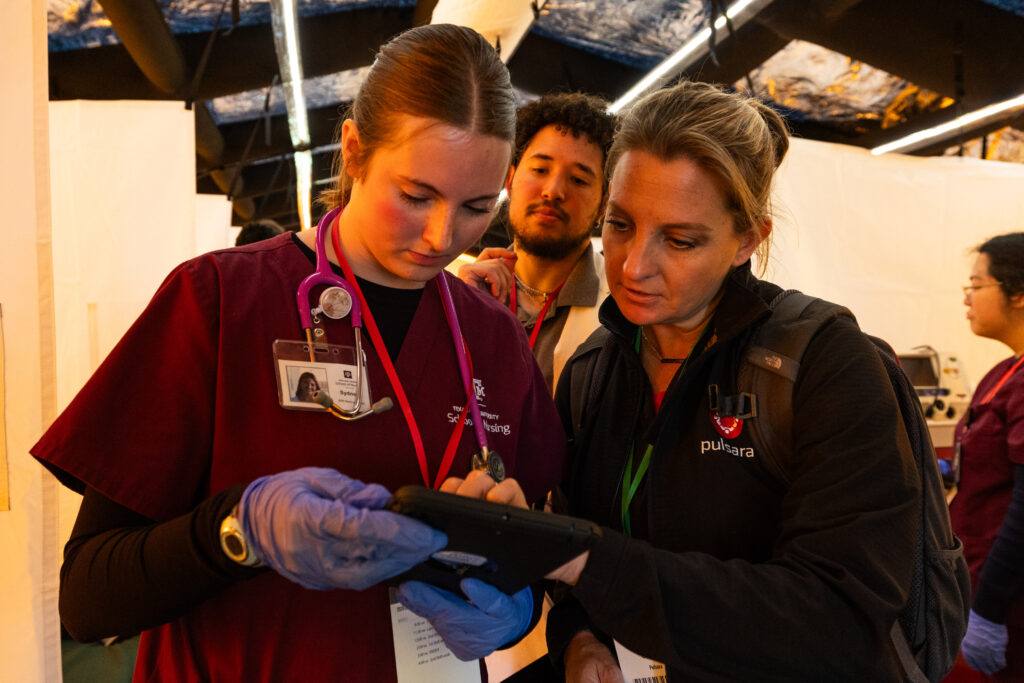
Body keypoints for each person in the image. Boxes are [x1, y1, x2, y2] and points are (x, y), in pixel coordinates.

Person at [32, 24, 564, 682]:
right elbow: (89, 597)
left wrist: (512, 601)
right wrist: (237, 531)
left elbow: (544, 539)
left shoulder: (492, 339)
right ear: (354, 151)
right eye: (416, 195)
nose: (440, 235)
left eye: (478, 206)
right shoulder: (219, 301)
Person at [535, 80, 922, 680]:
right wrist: (581, 639)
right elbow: (575, 570)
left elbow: (841, 616)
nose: (635, 266)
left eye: (681, 240)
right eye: (619, 225)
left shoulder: (823, 363)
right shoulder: (590, 370)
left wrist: (599, 564)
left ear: (748, 239)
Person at [457, 93, 616, 391]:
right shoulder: (468, 292)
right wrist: (458, 316)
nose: (553, 191)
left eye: (579, 180)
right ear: (510, 180)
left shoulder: (619, 310)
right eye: (540, 170)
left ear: (604, 204)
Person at [950, 233, 1024, 680]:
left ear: (1018, 294)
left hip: (1008, 603)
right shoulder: (1006, 371)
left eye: (976, 286)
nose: (967, 300)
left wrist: (989, 611)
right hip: (976, 576)